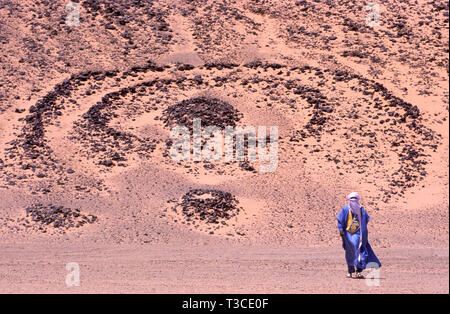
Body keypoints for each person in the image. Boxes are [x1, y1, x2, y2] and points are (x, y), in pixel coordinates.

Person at [336, 192, 381, 279]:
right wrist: (341, 230)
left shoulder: (361, 210)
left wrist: (362, 232)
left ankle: (358, 272)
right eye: (351, 200)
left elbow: (366, 220)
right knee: (351, 253)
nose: (353, 202)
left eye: (355, 200)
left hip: (360, 236)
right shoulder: (345, 210)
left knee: (361, 253)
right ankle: (350, 271)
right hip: (349, 236)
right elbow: (340, 221)